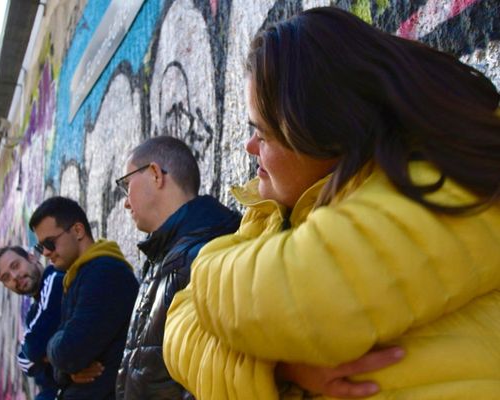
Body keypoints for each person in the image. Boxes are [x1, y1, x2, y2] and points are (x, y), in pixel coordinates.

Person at [163, 7, 500, 400]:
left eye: (262, 133)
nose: (249, 147)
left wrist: (204, 270)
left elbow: (309, 295)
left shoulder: (457, 175)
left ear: (317, 126)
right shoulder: (271, 216)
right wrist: (277, 364)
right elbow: (178, 328)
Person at [111, 136, 241, 399]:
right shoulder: (163, 257)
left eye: (127, 185)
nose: (125, 202)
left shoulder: (203, 254)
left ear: (155, 174)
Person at [29, 196, 139, 399]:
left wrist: (54, 349)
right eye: (40, 247)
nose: (45, 252)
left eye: (50, 243)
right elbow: (65, 362)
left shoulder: (104, 274)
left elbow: (69, 353)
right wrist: (65, 371)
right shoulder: (80, 276)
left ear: (78, 231)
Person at [0, 245, 64, 400]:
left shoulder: (55, 278)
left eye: (15, 266)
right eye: (6, 278)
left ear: (32, 258)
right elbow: (24, 362)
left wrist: (42, 356)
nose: (15, 276)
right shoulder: (33, 314)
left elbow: (33, 346)